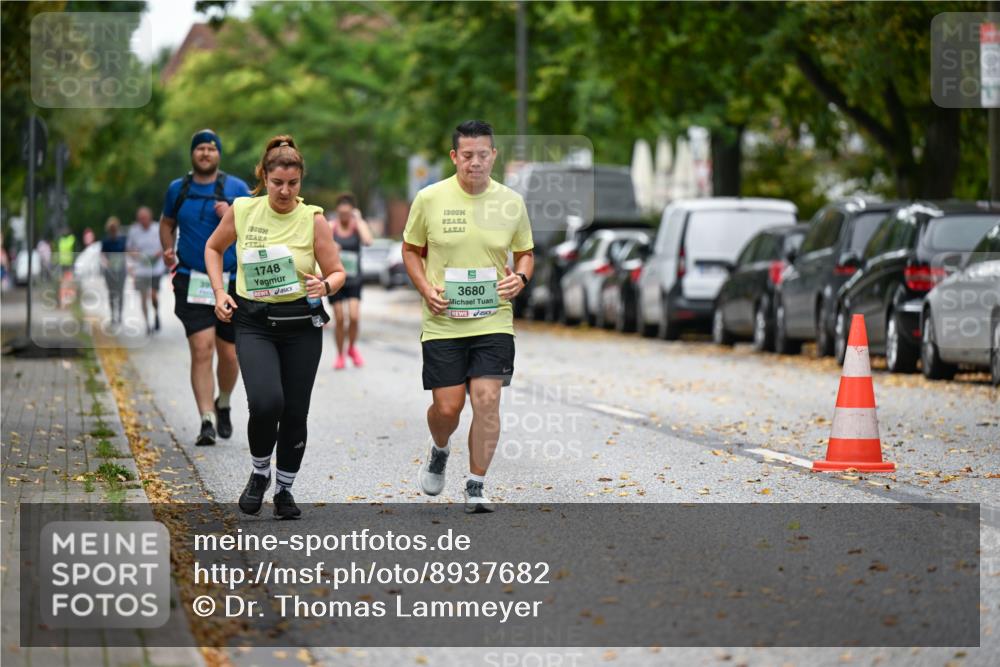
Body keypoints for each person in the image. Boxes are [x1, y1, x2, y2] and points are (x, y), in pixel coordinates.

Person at [205, 135, 345, 519]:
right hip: (254, 322)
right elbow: (213, 248)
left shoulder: (313, 219)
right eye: (277, 182)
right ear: (263, 177)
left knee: (295, 411)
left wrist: (325, 285)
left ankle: (284, 489)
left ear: (301, 181)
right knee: (267, 402)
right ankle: (259, 472)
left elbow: (337, 272)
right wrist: (219, 292)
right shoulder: (244, 210)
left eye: (293, 183)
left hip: (301, 324)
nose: (285, 191)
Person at [401, 120, 534, 513]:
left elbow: (525, 252)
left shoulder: (511, 202)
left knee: (487, 399)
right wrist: (426, 289)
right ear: (454, 157)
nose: (475, 163)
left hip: (493, 319)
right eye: (467, 156)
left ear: (493, 156)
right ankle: (439, 448)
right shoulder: (429, 198)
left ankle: (476, 484)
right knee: (447, 408)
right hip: (443, 319)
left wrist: (521, 277)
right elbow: (411, 250)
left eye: (483, 155)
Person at [159, 129, 251, 447]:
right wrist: (167, 249)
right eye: (200, 148)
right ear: (192, 154)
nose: (206, 153)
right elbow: (166, 222)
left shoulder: (237, 188)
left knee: (229, 354)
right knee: (202, 349)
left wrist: (233, 216)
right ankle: (206, 419)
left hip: (232, 281)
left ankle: (223, 401)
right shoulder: (177, 189)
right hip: (192, 278)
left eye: (212, 148)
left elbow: (256, 229)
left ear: (219, 155)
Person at [328, 192, 373, 369]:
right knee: (339, 318)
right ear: (337, 212)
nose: (344, 217)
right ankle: (340, 354)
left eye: (348, 213)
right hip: (336, 277)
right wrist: (333, 247)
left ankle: (352, 348)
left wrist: (359, 219)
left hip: (354, 278)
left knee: (354, 317)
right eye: (341, 214)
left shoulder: (356, 227)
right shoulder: (331, 227)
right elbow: (320, 246)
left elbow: (368, 241)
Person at [126, 206, 165, 334]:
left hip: (155, 268)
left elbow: (164, 245)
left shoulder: (157, 228)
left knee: (153, 295)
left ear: (150, 217)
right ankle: (147, 323)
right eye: (140, 219)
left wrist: (158, 255)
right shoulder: (134, 231)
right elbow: (129, 249)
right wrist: (135, 255)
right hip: (141, 269)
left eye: (145, 218)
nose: (143, 221)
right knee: (143, 298)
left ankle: (156, 314)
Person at [100, 217, 127, 326]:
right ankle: (113, 315)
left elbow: (126, 252)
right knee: (111, 293)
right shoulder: (105, 241)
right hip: (110, 270)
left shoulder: (122, 240)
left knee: (120, 292)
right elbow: (102, 255)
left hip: (121, 269)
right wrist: (106, 262)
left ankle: (120, 315)